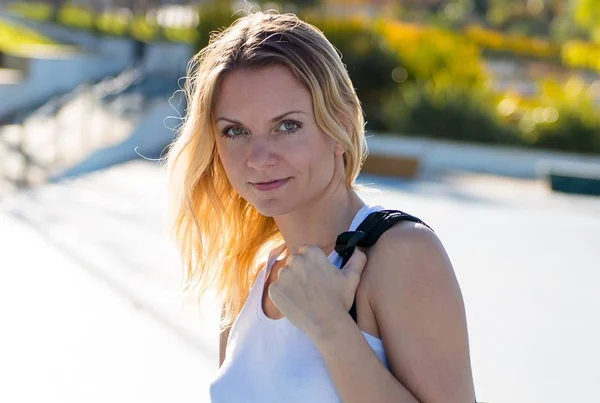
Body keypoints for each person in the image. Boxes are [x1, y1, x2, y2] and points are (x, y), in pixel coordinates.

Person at [166, 10, 476, 403]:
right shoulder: (249, 280)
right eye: (235, 131)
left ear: (342, 126)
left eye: (287, 126)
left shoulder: (400, 254)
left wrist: (330, 326)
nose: (259, 158)